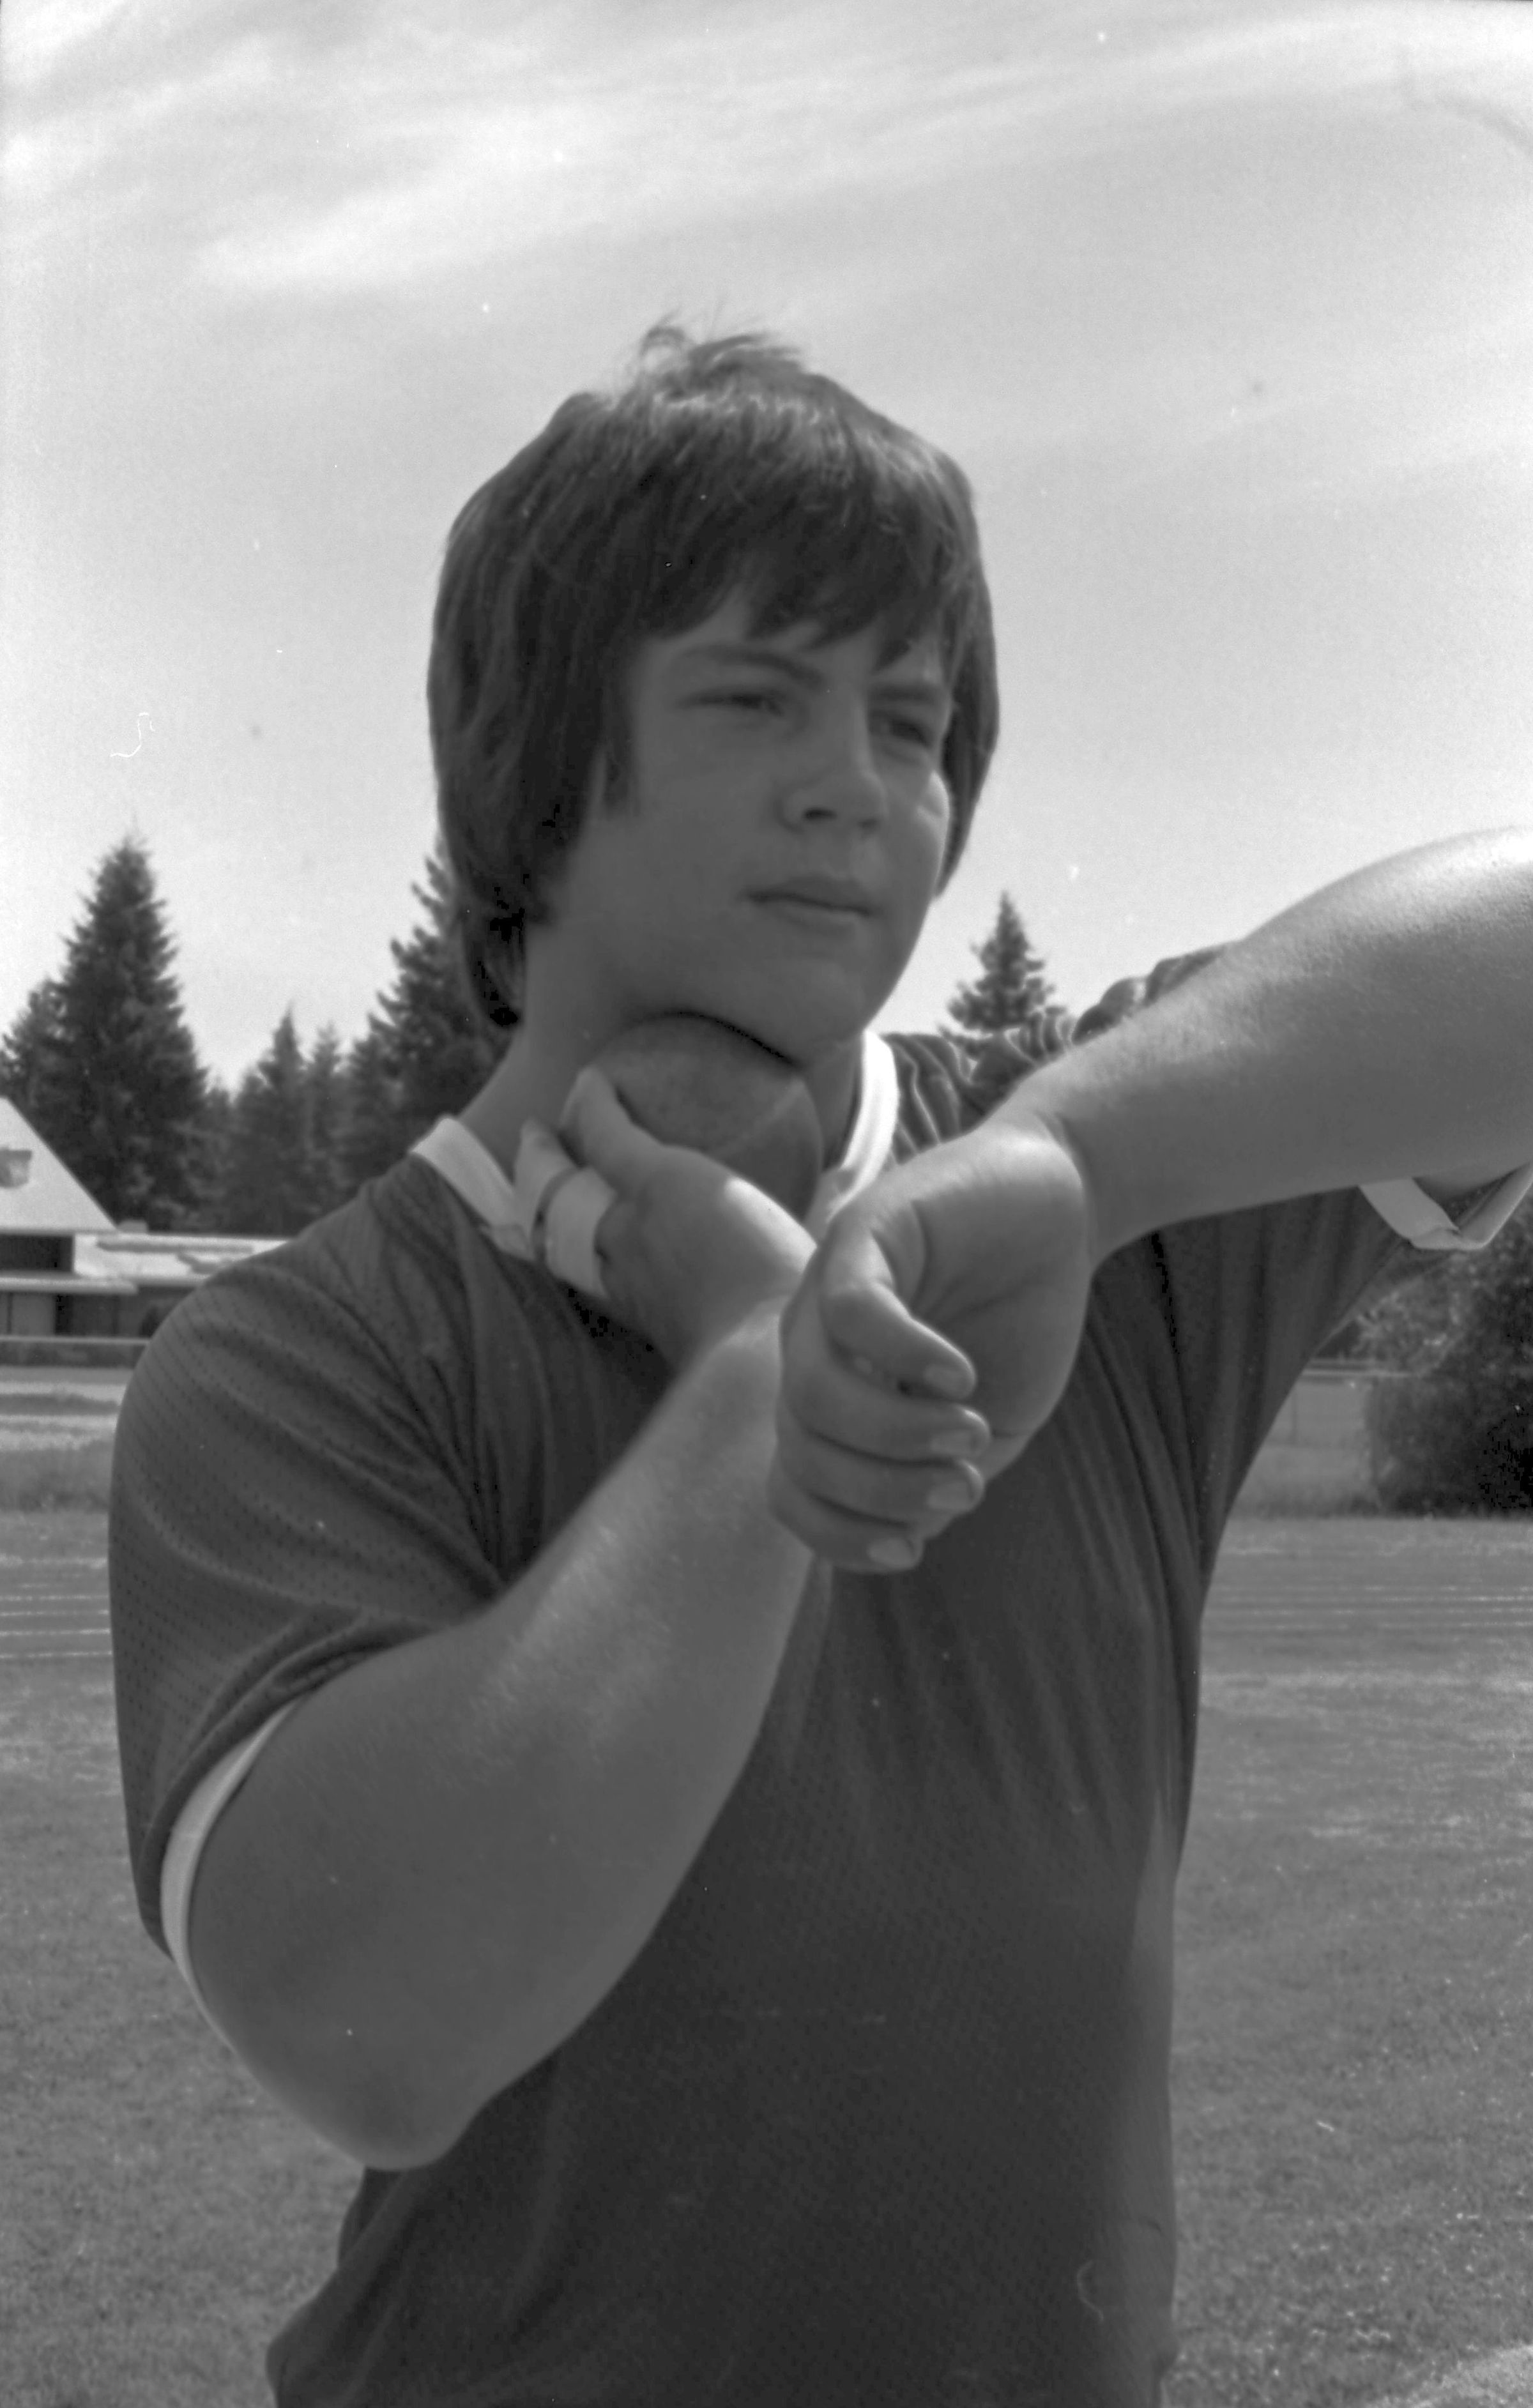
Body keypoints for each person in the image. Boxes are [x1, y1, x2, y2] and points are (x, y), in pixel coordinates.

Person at [109, 326, 1533, 2407]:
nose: (856, 781)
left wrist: (1087, 1152)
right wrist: (753, 1380)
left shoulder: (1086, 1189)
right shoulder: (300, 1356)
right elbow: (372, 2022)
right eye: (757, 694)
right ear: (533, 767)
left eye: (913, 719)